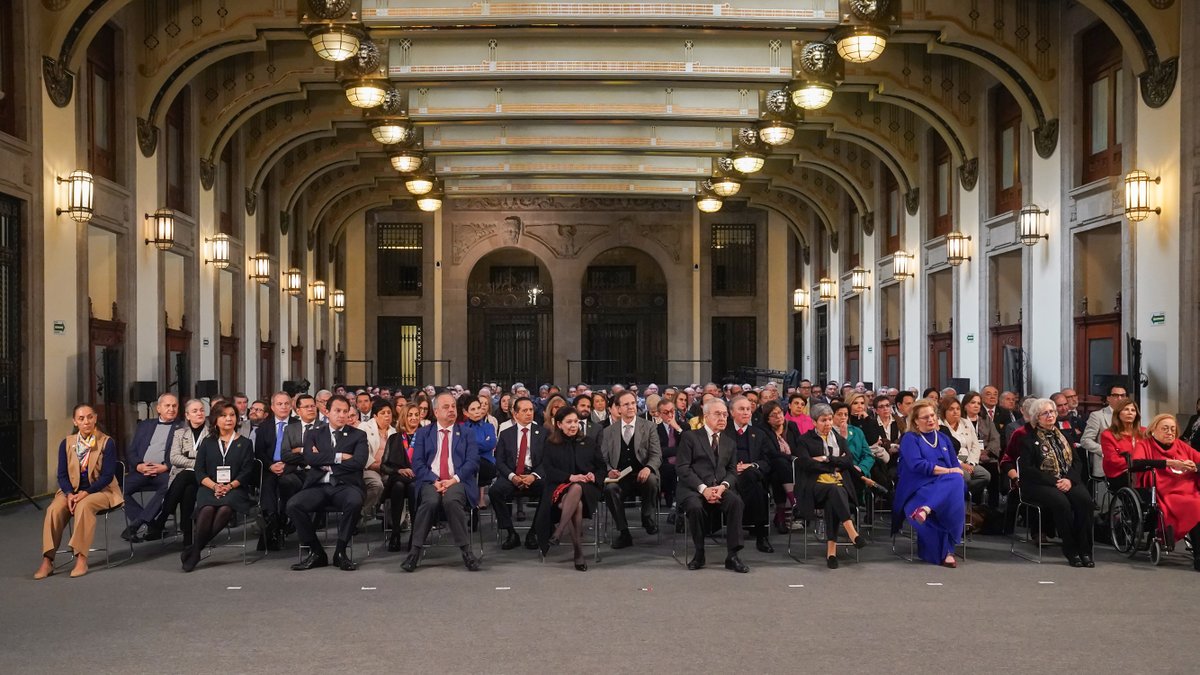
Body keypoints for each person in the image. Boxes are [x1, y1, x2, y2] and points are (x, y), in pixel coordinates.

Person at [36, 404, 124, 579]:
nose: (86, 422)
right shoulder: (67, 443)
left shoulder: (107, 442)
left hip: (101, 490)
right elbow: (61, 474)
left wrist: (86, 492)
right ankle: (47, 559)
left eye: (90, 417)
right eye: (82, 418)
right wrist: (69, 494)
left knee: (84, 506)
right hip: (72, 491)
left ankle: (81, 558)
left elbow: (107, 476)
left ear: (96, 418)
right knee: (53, 510)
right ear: (75, 421)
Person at [401, 392, 482, 573]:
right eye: (446, 407)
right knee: (430, 501)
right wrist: (435, 481)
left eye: (453, 406)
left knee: (451, 500)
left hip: (458, 481)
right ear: (436, 412)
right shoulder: (424, 433)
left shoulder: (466, 432)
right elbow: (418, 463)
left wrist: (453, 480)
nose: (451, 410)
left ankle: (467, 552)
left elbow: (473, 462)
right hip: (431, 481)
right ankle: (414, 552)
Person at [287, 395, 369, 571]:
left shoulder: (358, 435)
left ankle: (340, 552)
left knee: (354, 502)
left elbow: (358, 462)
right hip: (319, 485)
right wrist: (339, 457)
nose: (341, 415)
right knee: (293, 505)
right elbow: (309, 457)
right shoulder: (314, 433)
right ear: (327, 412)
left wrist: (326, 463)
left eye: (345, 411)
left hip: (346, 485)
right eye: (337, 411)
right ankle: (316, 552)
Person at [1015, 398, 1095, 568]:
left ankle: (1085, 550)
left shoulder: (1065, 435)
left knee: (1085, 502)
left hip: (1067, 480)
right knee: (1062, 503)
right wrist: (1055, 481)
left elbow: (1077, 462)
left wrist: (1070, 480)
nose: (1050, 415)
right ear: (1037, 417)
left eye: (1052, 412)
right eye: (1045, 413)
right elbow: (1028, 469)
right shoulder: (1028, 439)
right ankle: (1071, 551)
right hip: (1040, 484)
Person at [675, 399, 749, 573]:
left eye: (724, 414)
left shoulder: (729, 441)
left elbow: (732, 471)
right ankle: (699, 553)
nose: (722, 418)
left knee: (736, 502)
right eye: (717, 414)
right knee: (695, 506)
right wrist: (704, 489)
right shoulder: (690, 437)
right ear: (705, 416)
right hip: (694, 488)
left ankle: (733, 555)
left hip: (719, 488)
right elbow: (683, 468)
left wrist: (723, 487)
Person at [181, 402, 256, 572]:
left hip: (235, 489)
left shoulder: (245, 443)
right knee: (207, 509)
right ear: (215, 419)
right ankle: (196, 551)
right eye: (223, 415)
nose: (228, 419)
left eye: (232, 415)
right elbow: (199, 471)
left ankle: (195, 550)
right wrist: (215, 486)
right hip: (209, 487)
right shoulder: (208, 443)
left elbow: (246, 473)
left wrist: (228, 486)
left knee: (224, 509)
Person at [892, 399, 966, 567]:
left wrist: (952, 471)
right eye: (925, 417)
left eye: (932, 415)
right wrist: (948, 471)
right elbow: (917, 465)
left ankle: (925, 509)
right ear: (916, 421)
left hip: (945, 485)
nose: (931, 420)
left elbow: (954, 464)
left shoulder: (943, 438)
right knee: (954, 483)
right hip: (918, 488)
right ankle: (948, 552)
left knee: (956, 480)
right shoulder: (910, 438)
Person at [794, 404, 867, 569]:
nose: (827, 423)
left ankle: (831, 552)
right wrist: (834, 463)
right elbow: (806, 464)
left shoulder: (839, 439)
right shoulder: (804, 440)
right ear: (814, 422)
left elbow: (848, 461)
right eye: (823, 420)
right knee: (834, 491)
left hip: (838, 485)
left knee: (833, 496)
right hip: (814, 486)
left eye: (829, 419)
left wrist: (825, 459)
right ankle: (851, 531)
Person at [537, 407, 606, 570]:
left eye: (576, 422)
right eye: (569, 422)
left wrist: (593, 475)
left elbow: (602, 467)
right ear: (559, 424)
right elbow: (548, 469)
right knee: (577, 504)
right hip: (559, 487)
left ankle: (559, 531)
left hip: (587, 488)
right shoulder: (550, 444)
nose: (573, 425)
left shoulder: (589, 442)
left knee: (577, 488)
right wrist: (570, 477)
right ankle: (578, 553)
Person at [1131, 414, 1200, 569]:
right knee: (1196, 506)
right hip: (1164, 490)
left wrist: (1194, 466)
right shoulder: (1145, 445)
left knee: (1196, 502)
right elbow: (1136, 464)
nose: (1170, 432)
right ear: (1154, 430)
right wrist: (1168, 463)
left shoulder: (1181, 445)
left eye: (1172, 429)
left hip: (1187, 488)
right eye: (1165, 428)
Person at [599, 390, 663, 547]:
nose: (631, 407)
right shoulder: (608, 431)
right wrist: (609, 470)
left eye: (633, 403)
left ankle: (647, 516)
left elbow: (657, 455)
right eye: (626, 404)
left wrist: (648, 467)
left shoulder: (649, 427)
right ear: (618, 408)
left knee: (651, 479)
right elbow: (603, 458)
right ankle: (624, 532)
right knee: (610, 489)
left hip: (642, 474)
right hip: (619, 476)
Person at [144, 399, 208, 545]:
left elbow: (209, 459)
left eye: (202, 410)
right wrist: (196, 459)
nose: (199, 413)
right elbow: (174, 458)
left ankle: (163, 516)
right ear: (187, 415)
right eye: (195, 411)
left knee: (186, 475)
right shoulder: (180, 433)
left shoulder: (211, 433)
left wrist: (189, 456)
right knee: (188, 490)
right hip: (183, 479)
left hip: (205, 476)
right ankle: (188, 537)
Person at [122, 393, 182, 541]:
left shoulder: (182, 428)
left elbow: (183, 454)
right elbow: (132, 450)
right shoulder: (145, 425)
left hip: (164, 472)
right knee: (118, 490)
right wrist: (138, 466)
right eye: (167, 406)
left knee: (170, 486)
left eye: (174, 406)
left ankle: (135, 525)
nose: (171, 409)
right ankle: (152, 524)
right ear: (158, 408)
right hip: (142, 470)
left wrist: (166, 467)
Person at [490, 397, 545, 550]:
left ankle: (534, 532)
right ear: (515, 414)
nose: (529, 413)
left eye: (531, 410)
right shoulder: (506, 433)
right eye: (525, 410)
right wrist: (512, 476)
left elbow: (547, 461)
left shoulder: (542, 433)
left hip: (533, 475)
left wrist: (533, 476)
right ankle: (510, 532)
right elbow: (499, 461)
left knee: (549, 491)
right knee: (495, 491)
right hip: (511, 475)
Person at [727, 395, 775, 553]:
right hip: (729, 477)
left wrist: (751, 465)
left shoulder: (759, 434)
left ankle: (739, 528)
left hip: (752, 474)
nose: (746, 412)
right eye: (741, 409)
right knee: (758, 490)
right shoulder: (723, 432)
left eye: (748, 409)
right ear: (732, 412)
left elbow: (768, 461)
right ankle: (761, 535)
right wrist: (734, 467)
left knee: (753, 475)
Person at [253, 391, 297, 549]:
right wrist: (271, 465)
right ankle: (273, 523)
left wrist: (287, 465)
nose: (284, 407)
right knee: (268, 486)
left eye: (286, 403)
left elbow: (301, 451)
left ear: (291, 405)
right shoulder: (264, 427)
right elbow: (259, 452)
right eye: (279, 404)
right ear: (272, 407)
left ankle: (285, 519)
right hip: (269, 467)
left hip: (291, 468)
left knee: (287, 483)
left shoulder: (297, 425)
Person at [381, 404, 420, 551]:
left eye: (416, 414)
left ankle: (415, 534)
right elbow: (384, 466)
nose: (414, 418)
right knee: (398, 486)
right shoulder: (394, 438)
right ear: (404, 417)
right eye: (410, 415)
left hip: (417, 478)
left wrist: (415, 470)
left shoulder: (425, 436)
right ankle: (395, 532)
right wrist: (399, 470)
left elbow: (430, 462)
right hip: (397, 478)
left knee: (412, 486)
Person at [759, 400, 803, 535]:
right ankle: (793, 501)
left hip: (794, 466)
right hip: (772, 466)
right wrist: (790, 458)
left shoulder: (792, 426)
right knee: (779, 465)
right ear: (767, 419)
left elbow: (800, 446)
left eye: (779, 412)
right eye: (774, 415)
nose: (778, 416)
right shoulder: (763, 430)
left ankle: (780, 518)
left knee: (780, 473)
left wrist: (793, 458)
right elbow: (771, 452)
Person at [939, 397, 990, 504]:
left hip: (969, 459)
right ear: (944, 411)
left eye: (958, 409)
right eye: (951, 409)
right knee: (965, 476)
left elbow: (975, 445)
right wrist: (962, 465)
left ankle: (960, 494)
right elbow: (945, 451)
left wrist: (971, 462)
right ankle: (962, 502)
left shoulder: (966, 422)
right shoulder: (940, 426)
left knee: (985, 476)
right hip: (952, 462)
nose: (955, 411)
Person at [1080, 382, 1129, 480]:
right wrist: (1106, 451)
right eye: (1115, 395)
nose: (1119, 398)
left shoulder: (1131, 415)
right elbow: (1085, 440)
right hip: (1107, 462)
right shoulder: (1097, 416)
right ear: (1108, 398)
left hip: (1128, 463)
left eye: (1122, 396)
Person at [961, 391, 1001, 507]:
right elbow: (961, 443)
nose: (976, 405)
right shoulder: (960, 421)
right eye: (973, 402)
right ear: (965, 405)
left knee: (993, 470)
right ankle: (974, 504)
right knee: (974, 472)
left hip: (986, 455)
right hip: (969, 458)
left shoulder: (985, 419)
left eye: (978, 403)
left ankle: (993, 508)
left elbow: (995, 438)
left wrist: (987, 452)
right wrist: (976, 454)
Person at [361, 398, 396, 521]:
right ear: (375, 416)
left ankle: (394, 520)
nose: (387, 415)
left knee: (398, 484)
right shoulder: (364, 427)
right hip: (369, 467)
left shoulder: (394, 431)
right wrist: (376, 465)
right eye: (383, 413)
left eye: (389, 412)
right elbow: (362, 453)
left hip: (387, 470)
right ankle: (361, 513)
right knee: (377, 485)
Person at [460, 395, 498, 507]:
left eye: (478, 408)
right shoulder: (462, 429)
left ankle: (472, 503)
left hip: (487, 465)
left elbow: (491, 443)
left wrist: (472, 444)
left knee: (474, 464)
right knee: (471, 466)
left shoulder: (489, 426)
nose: (477, 412)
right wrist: (482, 443)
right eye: (473, 409)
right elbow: (462, 448)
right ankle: (473, 506)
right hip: (469, 465)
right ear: (465, 412)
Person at [1100, 398, 1145, 491]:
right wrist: (1138, 461)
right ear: (1118, 413)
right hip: (1119, 474)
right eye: (1126, 409)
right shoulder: (1108, 435)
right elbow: (1113, 461)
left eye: (1133, 410)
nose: (1130, 413)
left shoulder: (1144, 432)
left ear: (1136, 415)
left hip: (1142, 471)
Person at [656, 397, 684, 528]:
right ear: (660, 414)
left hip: (682, 465)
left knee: (682, 472)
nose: (670, 415)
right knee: (671, 470)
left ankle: (676, 509)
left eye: (672, 411)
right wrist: (677, 450)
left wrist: (677, 428)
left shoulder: (683, 426)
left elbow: (689, 446)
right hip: (663, 466)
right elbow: (658, 451)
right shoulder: (654, 429)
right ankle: (675, 507)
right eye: (666, 412)